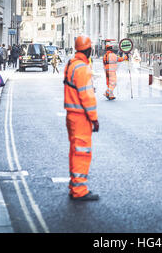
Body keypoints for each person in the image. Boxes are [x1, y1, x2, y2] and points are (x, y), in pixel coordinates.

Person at [64, 35, 99, 201]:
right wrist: (94, 118)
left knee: (75, 151)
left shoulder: (72, 64)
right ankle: (79, 190)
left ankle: (74, 185)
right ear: (88, 49)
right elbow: (87, 96)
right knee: (82, 153)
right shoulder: (83, 68)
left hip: (71, 115)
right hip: (81, 117)